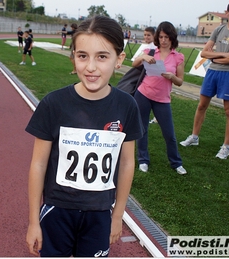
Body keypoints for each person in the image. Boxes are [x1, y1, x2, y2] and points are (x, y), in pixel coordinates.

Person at [25, 15, 143, 257]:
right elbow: (38, 164)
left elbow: (127, 162)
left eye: (102, 56)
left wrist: (118, 215)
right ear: (73, 58)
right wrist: (33, 221)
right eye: (82, 56)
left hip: (100, 213)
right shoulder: (53, 104)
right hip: (57, 210)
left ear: (119, 60)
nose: (91, 67)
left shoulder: (127, 106)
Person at [180, 0, 229, 160]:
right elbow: (204, 53)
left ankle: (226, 146)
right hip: (212, 73)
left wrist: (218, 57)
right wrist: (225, 55)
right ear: (227, 12)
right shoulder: (218, 30)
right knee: (202, 105)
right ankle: (194, 137)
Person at [132, 21, 187, 175]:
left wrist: (172, 77)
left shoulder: (178, 57)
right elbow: (134, 64)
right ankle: (143, 159)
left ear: (172, 38)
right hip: (143, 93)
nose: (163, 40)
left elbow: (180, 81)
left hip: (163, 99)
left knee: (169, 134)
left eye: (166, 37)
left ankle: (176, 162)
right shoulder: (151, 51)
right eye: (161, 37)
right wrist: (143, 57)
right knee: (142, 129)